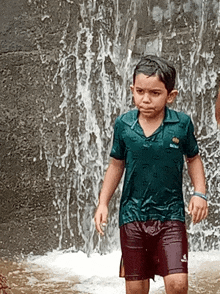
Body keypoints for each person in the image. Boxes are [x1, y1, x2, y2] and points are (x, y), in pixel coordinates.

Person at [94, 55, 208, 294]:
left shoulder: (181, 124)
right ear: (132, 90)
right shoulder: (124, 125)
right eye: (140, 91)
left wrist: (200, 193)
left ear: (171, 96)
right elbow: (116, 164)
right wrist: (103, 202)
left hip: (170, 215)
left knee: (178, 285)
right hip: (132, 215)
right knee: (136, 289)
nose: (145, 99)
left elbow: (193, 158)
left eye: (155, 93)